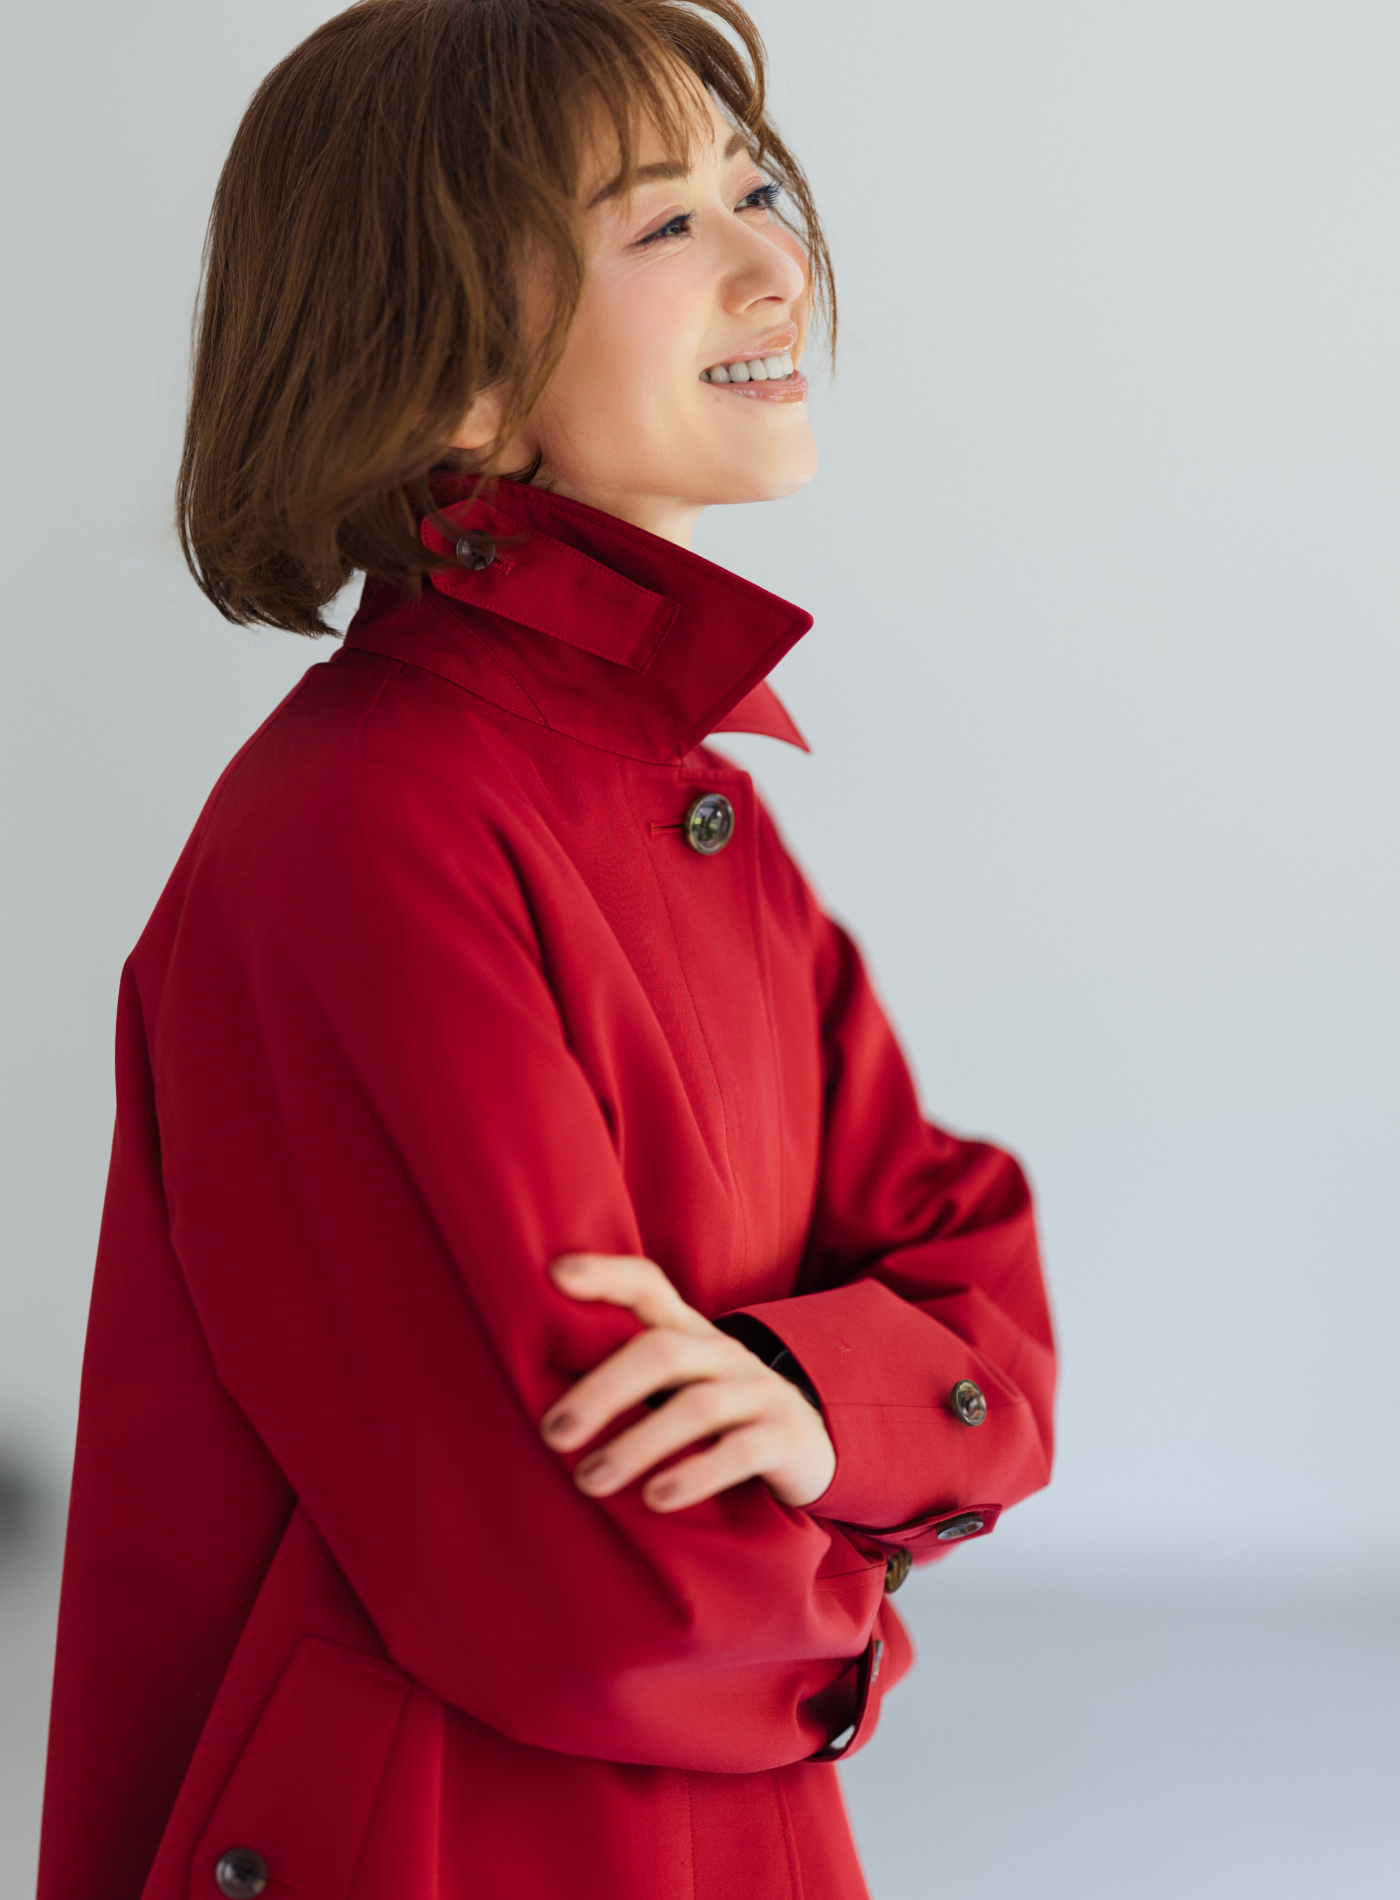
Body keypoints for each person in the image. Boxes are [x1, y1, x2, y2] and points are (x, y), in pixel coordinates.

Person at [38, 3, 1056, 1897]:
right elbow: (600, 1592)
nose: (779, 264)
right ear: (447, 373)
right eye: (665, 223)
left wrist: (808, 1400)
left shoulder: (692, 800)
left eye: (758, 189)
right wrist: (867, 1571)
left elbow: (977, 1288)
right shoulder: (372, 831)